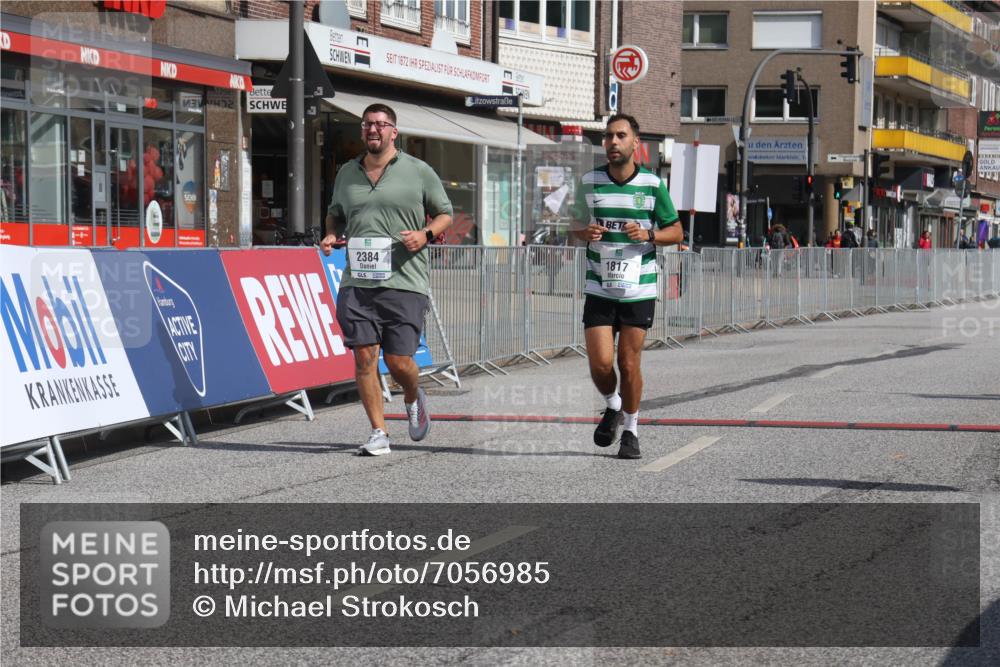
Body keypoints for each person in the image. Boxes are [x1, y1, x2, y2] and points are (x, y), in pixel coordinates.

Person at [327, 103, 453, 456]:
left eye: (381, 125)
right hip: (358, 281)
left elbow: (446, 213)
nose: (373, 130)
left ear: (393, 132)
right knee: (364, 358)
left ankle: (414, 398)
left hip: (404, 280)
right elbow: (334, 215)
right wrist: (329, 234)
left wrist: (425, 234)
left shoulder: (418, 171)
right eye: (367, 124)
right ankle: (378, 431)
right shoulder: (347, 173)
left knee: (399, 362)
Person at [570, 113, 682, 460]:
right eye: (608, 136)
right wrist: (583, 232)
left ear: (636, 143)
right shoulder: (590, 181)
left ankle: (631, 429)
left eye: (620, 136)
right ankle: (613, 404)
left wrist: (649, 234)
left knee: (628, 364)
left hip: (638, 288)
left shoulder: (651, 185)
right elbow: (573, 222)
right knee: (601, 364)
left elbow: (676, 232)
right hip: (600, 285)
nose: (613, 142)